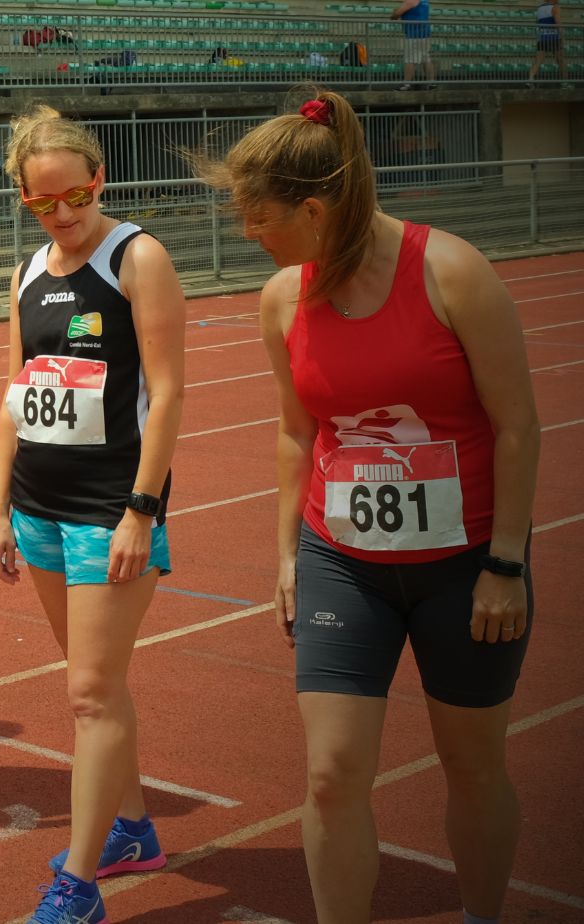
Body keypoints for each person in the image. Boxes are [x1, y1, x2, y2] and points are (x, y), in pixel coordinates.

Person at [200, 89, 539, 924]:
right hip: (341, 558)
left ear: (316, 209)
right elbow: (294, 433)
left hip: (466, 566)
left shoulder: (451, 270)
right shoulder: (283, 298)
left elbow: (518, 427)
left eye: (260, 218)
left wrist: (504, 564)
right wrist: (286, 555)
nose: (249, 235)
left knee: (473, 766)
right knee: (330, 773)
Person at [0, 107, 186, 924]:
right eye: (44, 204)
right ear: (25, 200)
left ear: (99, 179)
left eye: (76, 196)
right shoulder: (27, 272)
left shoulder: (138, 258)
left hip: (110, 507)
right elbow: (15, 396)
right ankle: (133, 828)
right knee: (94, 688)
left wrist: (143, 508)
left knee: (90, 695)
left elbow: (168, 392)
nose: (63, 216)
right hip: (37, 503)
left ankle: (78, 884)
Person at [391, 0, 436, 90]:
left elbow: (396, 15)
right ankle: (431, 83)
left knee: (409, 59)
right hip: (424, 33)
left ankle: (406, 85)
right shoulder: (424, 1)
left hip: (414, 34)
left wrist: (395, 12)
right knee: (426, 58)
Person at [530, 0, 567, 83]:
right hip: (554, 38)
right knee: (561, 61)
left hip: (542, 37)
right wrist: (563, 37)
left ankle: (530, 80)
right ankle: (565, 82)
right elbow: (558, 23)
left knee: (538, 61)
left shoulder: (539, 8)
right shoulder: (555, 7)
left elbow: (537, 22)